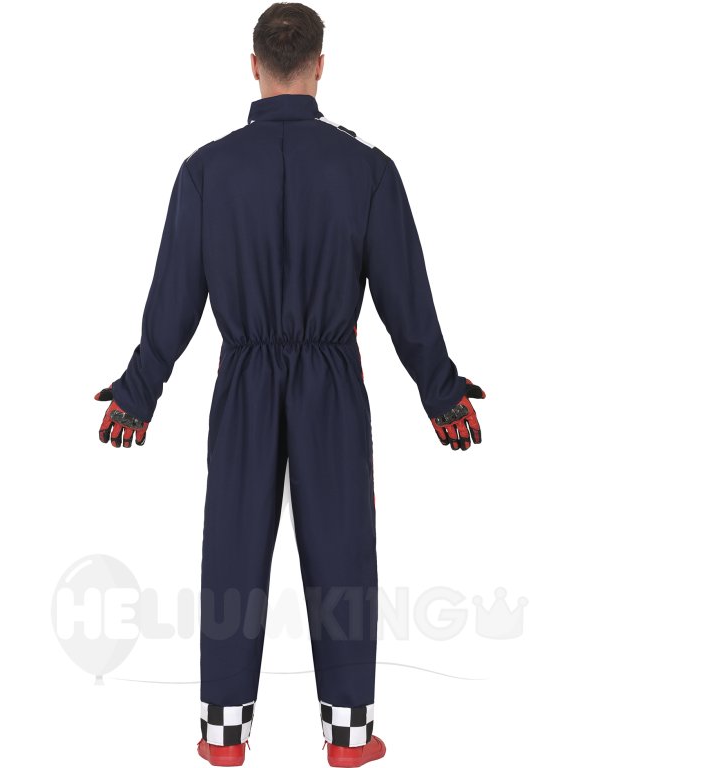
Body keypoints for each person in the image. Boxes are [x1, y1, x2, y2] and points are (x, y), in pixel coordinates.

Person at [94, 4, 485, 766]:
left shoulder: (205, 171)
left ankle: (223, 737)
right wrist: (442, 395)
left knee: (232, 548)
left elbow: (174, 298)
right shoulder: (367, 170)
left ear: (253, 66)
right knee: (343, 550)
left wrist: (139, 391)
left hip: (243, 378)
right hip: (330, 381)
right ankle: (347, 737)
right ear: (320, 65)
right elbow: (406, 298)